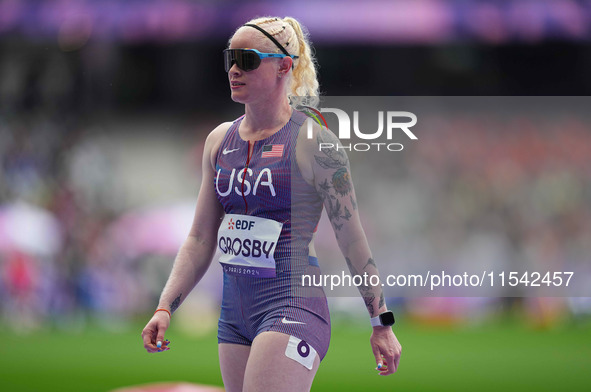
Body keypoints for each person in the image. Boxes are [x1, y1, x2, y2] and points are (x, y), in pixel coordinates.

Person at [141, 16, 401, 392]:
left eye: (247, 60)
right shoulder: (219, 141)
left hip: (293, 306)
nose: (233, 69)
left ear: (283, 66)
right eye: (230, 58)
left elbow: (352, 239)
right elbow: (199, 238)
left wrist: (382, 323)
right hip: (234, 315)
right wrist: (165, 306)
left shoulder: (315, 143)